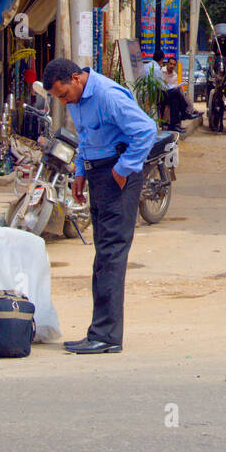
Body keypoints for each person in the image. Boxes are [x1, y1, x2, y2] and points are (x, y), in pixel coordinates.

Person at [42, 58, 157, 355]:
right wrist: (80, 171)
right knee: (102, 255)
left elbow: (146, 130)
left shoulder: (107, 95)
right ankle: (99, 331)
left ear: (77, 79)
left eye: (64, 94)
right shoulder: (77, 99)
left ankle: (107, 336)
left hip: (117, 176)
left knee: (111, 255)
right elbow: (86, 137)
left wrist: (124, 168)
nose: (64, 101)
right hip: (97, 173)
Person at [161, 57, 199, 132]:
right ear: (167, 64)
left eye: (174, 65)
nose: (172, 66)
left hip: (170, 95)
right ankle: (185, 112)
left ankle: (173, 125)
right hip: (161, 94)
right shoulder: (161, 71)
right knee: (177, 93)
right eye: (170, 64)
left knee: (175, 100)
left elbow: (173, 88)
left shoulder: (175, 75)